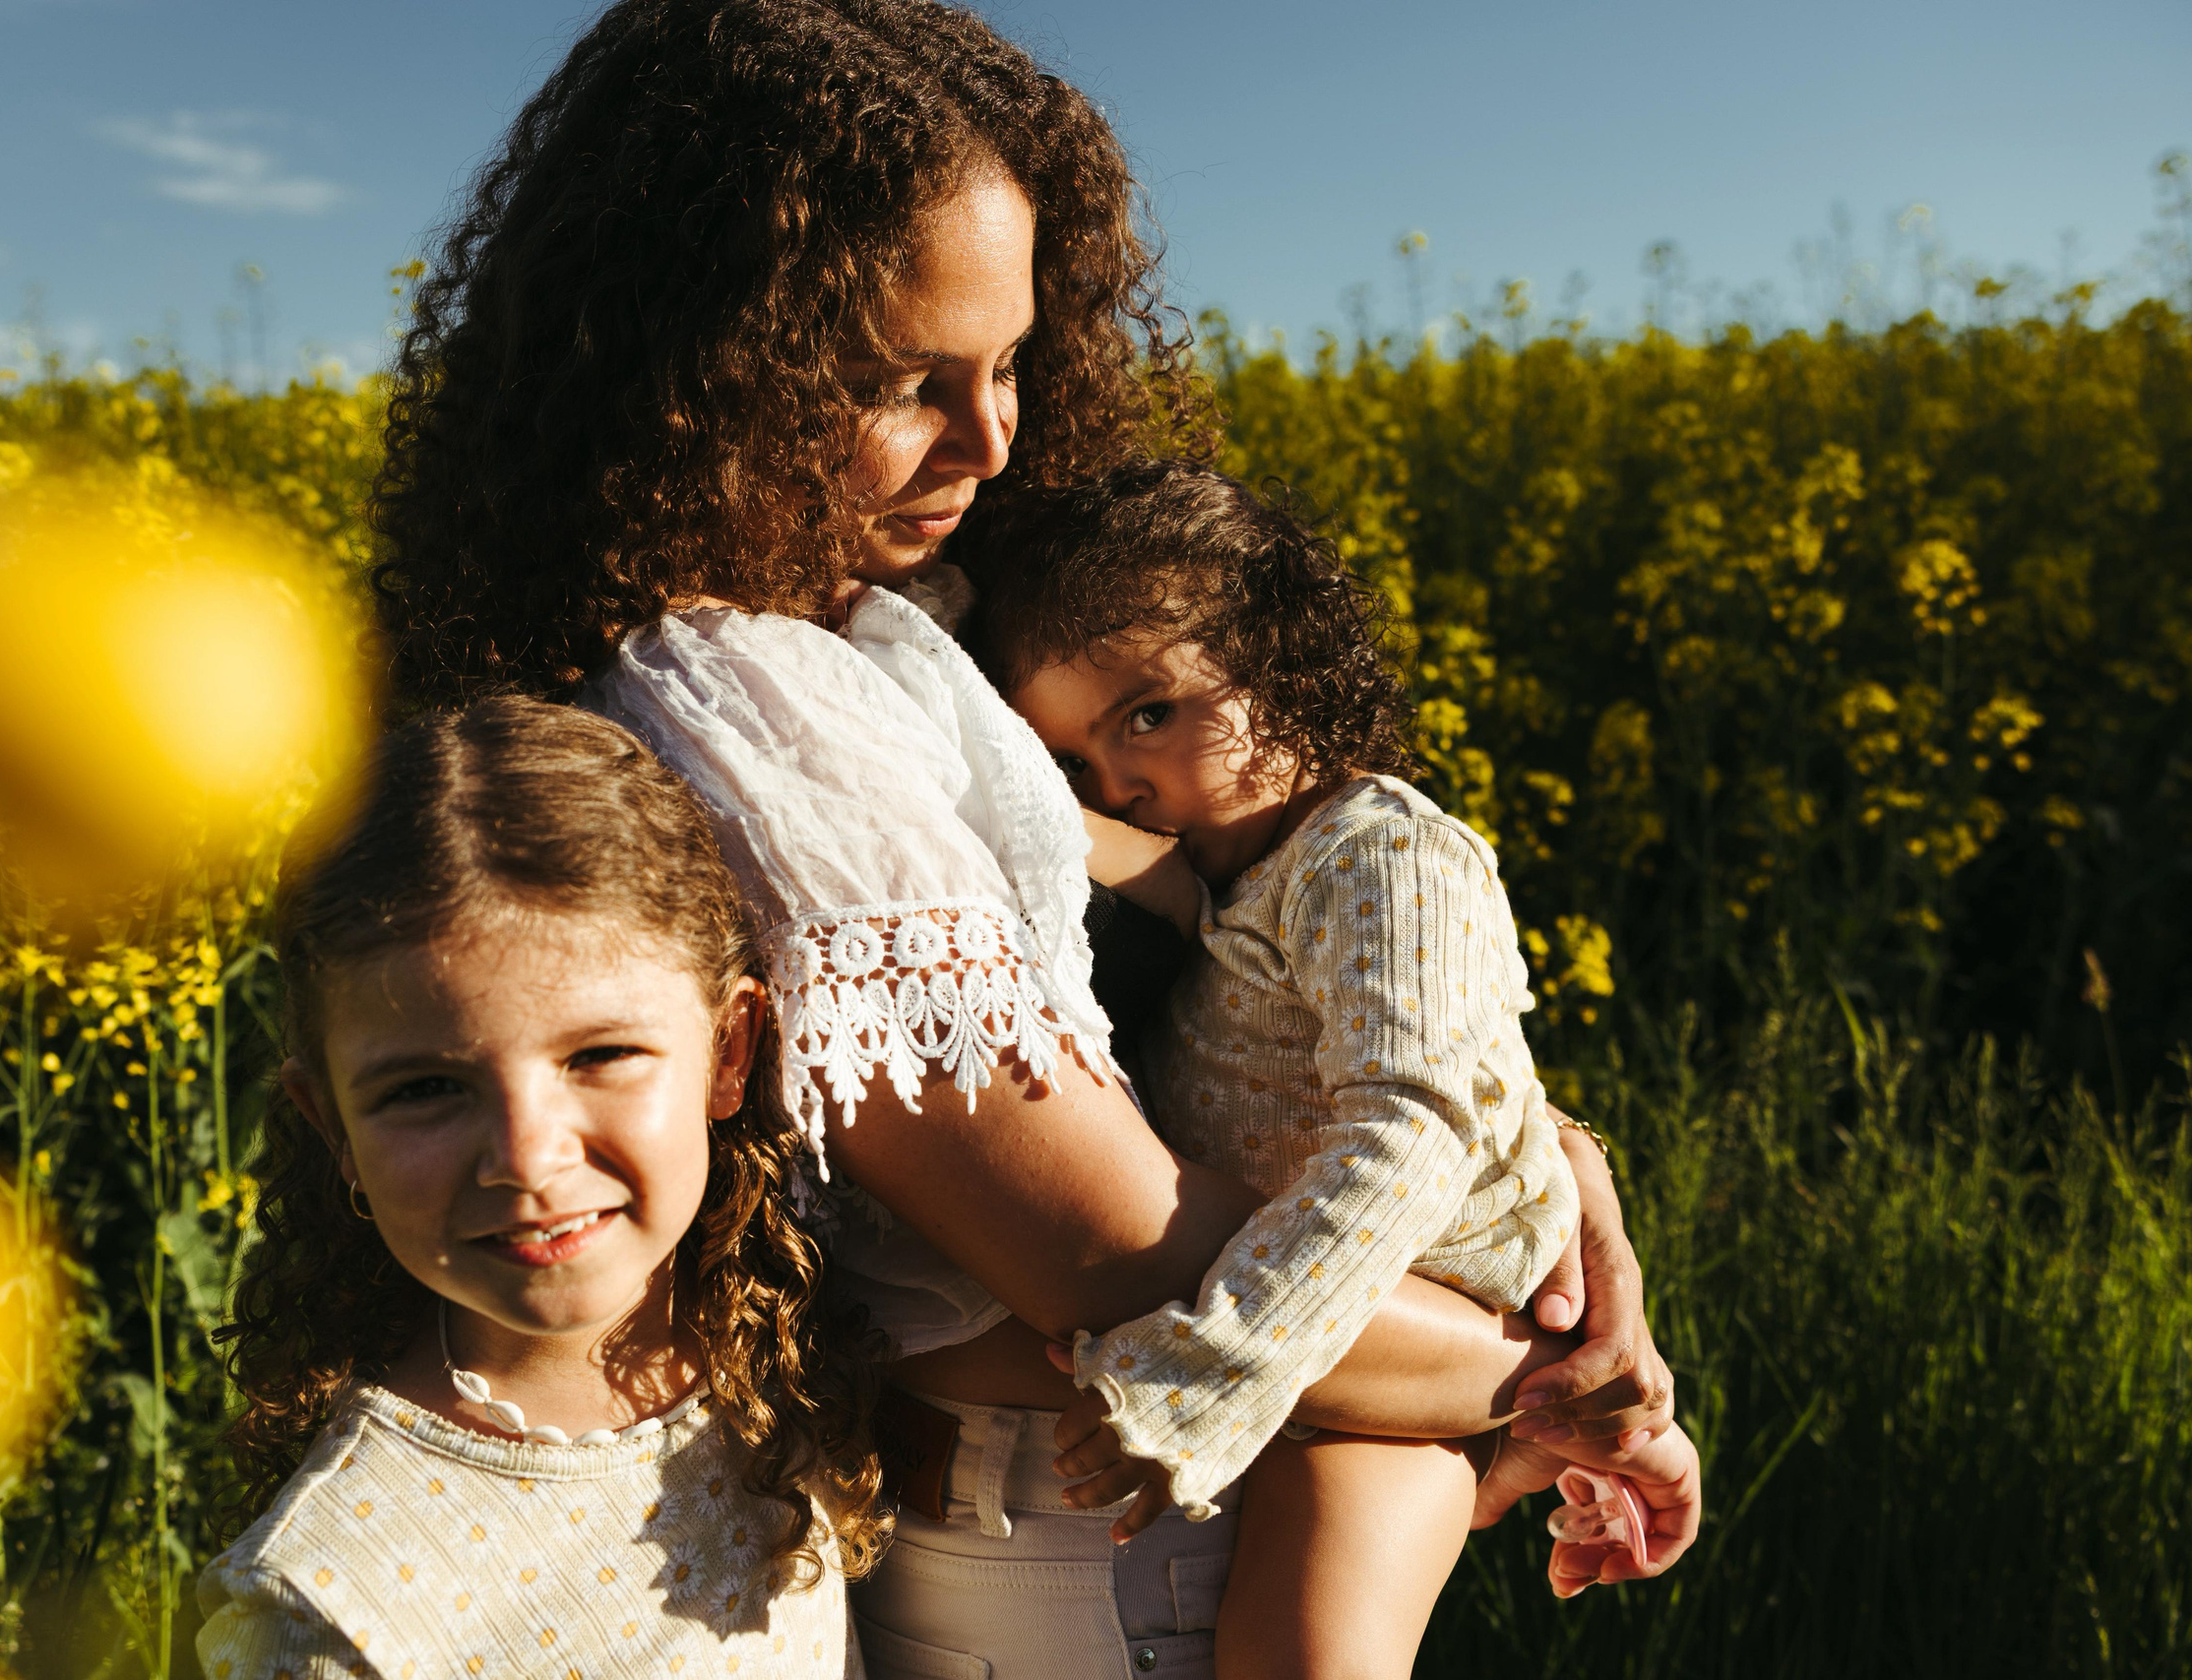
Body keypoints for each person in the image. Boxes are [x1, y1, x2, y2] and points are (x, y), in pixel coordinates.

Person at [372, 3, 1691, 1671]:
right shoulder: (742, 705)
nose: (991, 441)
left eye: (1005, 364)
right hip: (1093, 1538)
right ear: (700, 374)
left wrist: (1552, 1177)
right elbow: (1098, 1247)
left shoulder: (904, 630)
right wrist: (1562, 1366)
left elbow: (1256, 958)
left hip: (1166, 1486)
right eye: (898, 384)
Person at [956, 459, 1703, 1675]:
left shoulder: (1381, 853)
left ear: (1281, 651)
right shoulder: (1221, 871)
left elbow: (1410, 1131)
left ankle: (1606, 1433)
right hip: (1333, 1304)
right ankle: (1580, 1441)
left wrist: (1207, 1374)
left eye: (1150, 712)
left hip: (1401, 1300)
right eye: (1078, 759)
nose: (1121, 778)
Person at [197, 697, 884, 1679]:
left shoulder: (770, 1333)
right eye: (427, 1088)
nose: (524, 1158)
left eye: (600, 1054)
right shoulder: (326, 1604)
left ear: (729, 1050)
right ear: (331, 1127)